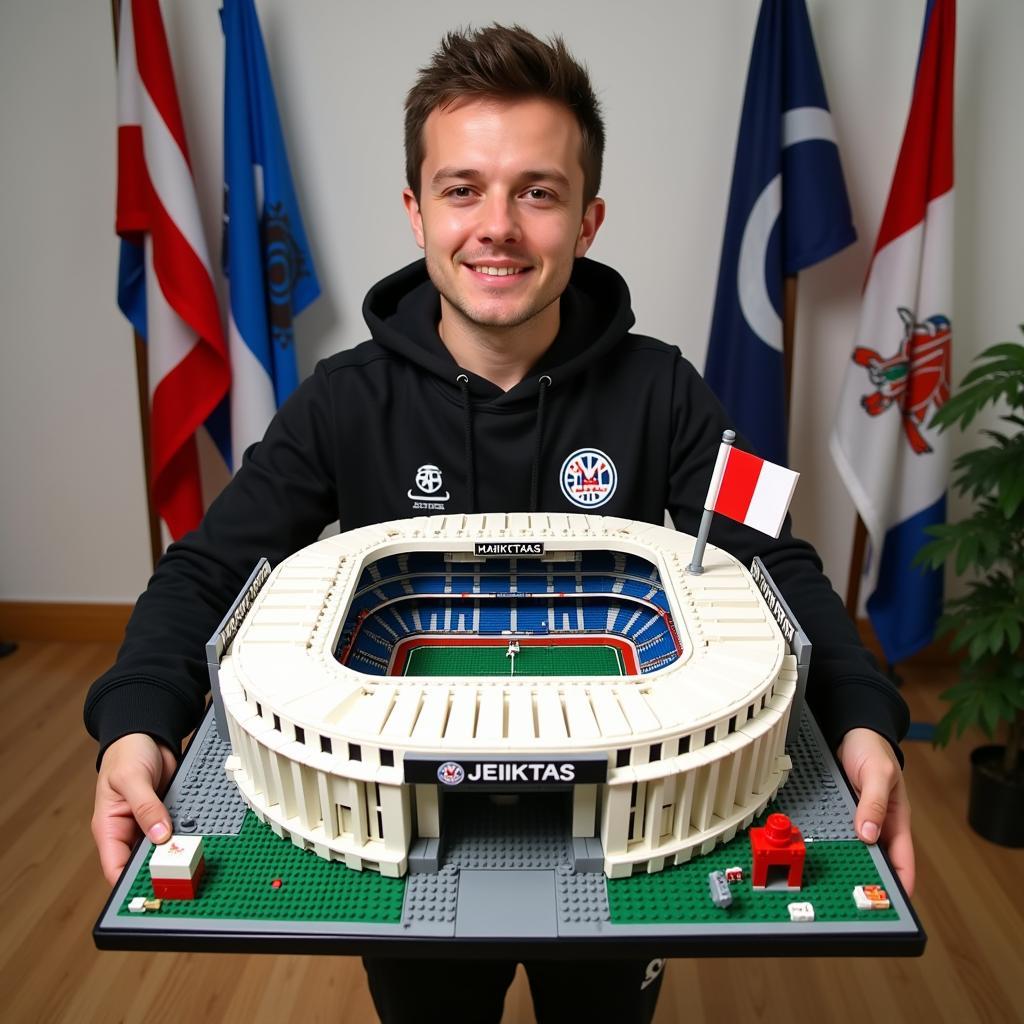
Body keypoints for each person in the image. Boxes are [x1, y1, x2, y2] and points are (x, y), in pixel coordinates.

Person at [86, 23, 913, 1024]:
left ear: (587, 217)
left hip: (625, 822)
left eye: (537, 190)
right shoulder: (342, 402)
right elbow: (206, 571)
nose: (497, 227)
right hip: (396, 824)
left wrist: (863, 716)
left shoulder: (667, 392)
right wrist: (132, 722)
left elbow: (777, 564)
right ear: (416, 210)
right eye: (462, 188)